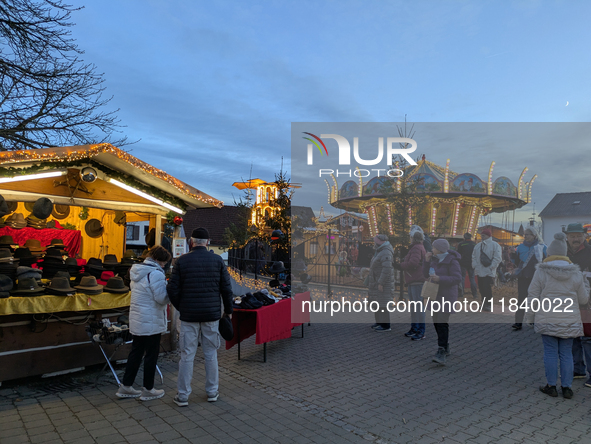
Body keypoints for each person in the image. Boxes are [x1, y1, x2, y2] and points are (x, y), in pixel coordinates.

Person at [167, 227, 234, 406]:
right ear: (208, 242)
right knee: (211, 354)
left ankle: (182, 395)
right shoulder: (217, 260)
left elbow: (172, 289)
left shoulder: (182, 261)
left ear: (191, 241)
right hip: (211, 315)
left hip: (189, 316)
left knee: (187, 355)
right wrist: (228, 311)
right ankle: (212, 392)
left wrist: (182, 307)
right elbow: (227, 289)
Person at [524, 232, 589, 399]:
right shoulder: (576, 273)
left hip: (547, 319)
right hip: (569, 319)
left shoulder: (541, 272)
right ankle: (567, 388)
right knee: (566, 353)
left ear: (549, 253)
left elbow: (532, 295)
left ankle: (551, 386)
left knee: (550, 352)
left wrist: (529, 318)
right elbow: (583, 299)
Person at [116, 245, 172, 401]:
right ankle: (148, 389)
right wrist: (170, 292)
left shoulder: (136, 272)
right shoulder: (156, 274)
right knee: (151, 355)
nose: (163, 265)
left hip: (138, 318)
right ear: (157, 260)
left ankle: (126, 386)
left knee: (136, 352)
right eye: (163, 262)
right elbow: (161, 298)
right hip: (151, 319)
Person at [423, 239, 461, 364]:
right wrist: (426, 261)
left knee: (441, 322)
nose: (431, 250)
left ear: (439, 249)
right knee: (435, 321)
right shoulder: (434, 259)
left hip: (446, 295)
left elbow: (457, 278)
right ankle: (445, 346)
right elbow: (425, 274)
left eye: (433, 247)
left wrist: (440, 278)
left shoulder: (452, 261)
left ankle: (441, 350)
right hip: (434, 294)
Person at [564, 223, 591, 379]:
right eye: (572, 236)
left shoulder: (590, 252)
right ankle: (578, 369)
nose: (575, 239)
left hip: (587, 301)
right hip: (569, 300)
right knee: (573, 336)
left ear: (584, 236)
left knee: (587, 338)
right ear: (567, 237)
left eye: (578, 236)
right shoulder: (563, 253)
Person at [510, 227, 547, 330]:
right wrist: (513, 254)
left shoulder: (542, 247)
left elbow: (546, 261)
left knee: (536, 299)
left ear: (534, 235)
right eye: (525, 235)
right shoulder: (520, 247)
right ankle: (518, 322)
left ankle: (535, 321)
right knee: (521, 299)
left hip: (536, 277)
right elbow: (517, 263)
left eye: (528, 234)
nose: (525, 236)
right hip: (523, 277)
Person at [399, 228, 427, 340]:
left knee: (417, 306)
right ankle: (415, 328)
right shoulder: (419, 247)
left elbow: (413, 263)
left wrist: (401, 265)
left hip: (416, 279)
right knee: (415, 306)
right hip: (415, 279)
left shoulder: (416, 248)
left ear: (413, 238)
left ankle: (420, 330)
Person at [368, 234, 395, 332]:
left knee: (383, 303)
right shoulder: (379, 251)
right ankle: (379, 322)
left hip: (383, 283)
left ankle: (385, 325)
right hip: (377, 280)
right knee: (378, 302)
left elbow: (386, 268)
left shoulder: (385, 252)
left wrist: (381, 282)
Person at [472, 228, 502, 311]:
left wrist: (492, 267)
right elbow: (474, 256)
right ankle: (484, 303)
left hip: (488, 271)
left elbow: (497, 258)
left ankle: (488, 304)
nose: (482, 236)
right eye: (481, 235)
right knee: (481, 288)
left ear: (488, 236)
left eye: (484, 235)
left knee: (487, 288)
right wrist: (475, 266)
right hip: (480, 270)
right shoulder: (478, 246)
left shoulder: (494, 245)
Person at [457, 232, 478, 300]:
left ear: (464, 237)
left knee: (462, 278)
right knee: (472, 278)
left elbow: (458, 253)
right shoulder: (474, 244)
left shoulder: (461, 244)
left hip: (463, 263)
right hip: (471, 263)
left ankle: (461, 294)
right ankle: (475, 294)